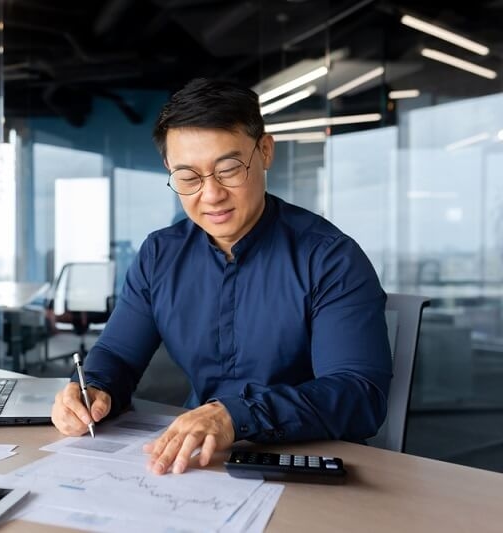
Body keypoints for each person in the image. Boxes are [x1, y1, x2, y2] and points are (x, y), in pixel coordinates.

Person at [51, 78, 392, 476]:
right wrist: (93, 389)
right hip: (203, 463)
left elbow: (359, 394)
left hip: (309, 464)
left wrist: (235, 414)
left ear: (264, 152)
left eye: (229, 169)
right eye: (189, 177)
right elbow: (119, 356)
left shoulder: (330, 257)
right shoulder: (160, 255)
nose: (211, 195)